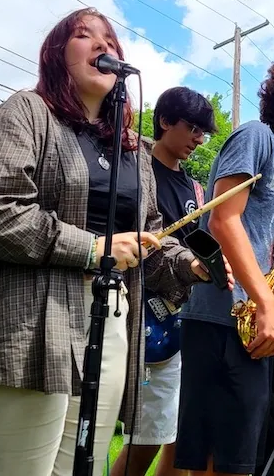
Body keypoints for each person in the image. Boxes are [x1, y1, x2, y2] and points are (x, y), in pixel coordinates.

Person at [0, 7, 232, 476]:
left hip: (112, 321)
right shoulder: (27, 111)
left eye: (111, 41)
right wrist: (93, 249)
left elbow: (151, 236)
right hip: (27, 320)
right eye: (83, 35)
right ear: (57, 56)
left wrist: (189, 267)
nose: (103, 46)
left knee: (85, 468)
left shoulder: (132, 150)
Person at [174, 53, 274, 476]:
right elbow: (222, 221)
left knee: (241, 460)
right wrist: (266, 305)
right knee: (214, 462)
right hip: (223, 318)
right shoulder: (256, 136)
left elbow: (254, 239)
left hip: (252, 323)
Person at [110, 86, 219, 476]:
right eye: (192, 128)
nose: (198, 139)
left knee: (180, 433)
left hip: (185, 317)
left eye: (203, 132)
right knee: (147, 435)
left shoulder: (194, 188)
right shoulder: (133, 171)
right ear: (164, 121)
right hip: (142, 312)